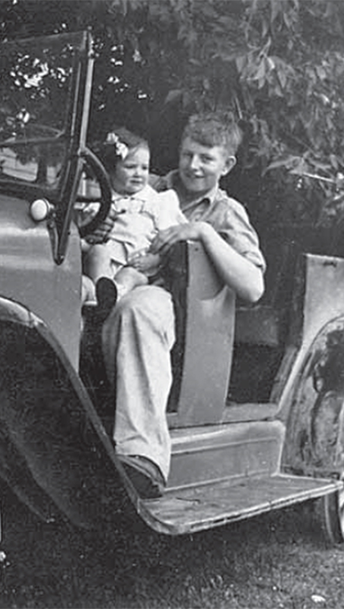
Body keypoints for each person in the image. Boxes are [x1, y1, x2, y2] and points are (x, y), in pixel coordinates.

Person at [101, 112, 265, 498]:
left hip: (176, 307)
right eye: (188, 154)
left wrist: (205, 234)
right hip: (112, 276)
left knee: (140, 308)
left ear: (227, 165)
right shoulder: (147, 184)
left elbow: (254, 286)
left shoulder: (226, 212)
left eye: (206, 158)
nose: (193, 165)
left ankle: (143, 456)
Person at [79, 128, 186, 318]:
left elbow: (170, 237)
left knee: (128, 276)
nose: (139, 174)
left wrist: (155, 259)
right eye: (130, 167)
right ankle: (100, 297)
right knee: (98, 252)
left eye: (144, 168)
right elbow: (88, 233)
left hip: (137, 265)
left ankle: (114, 296)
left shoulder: (156, 201)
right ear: (111, 169)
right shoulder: (102, 199)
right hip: (106, 264)